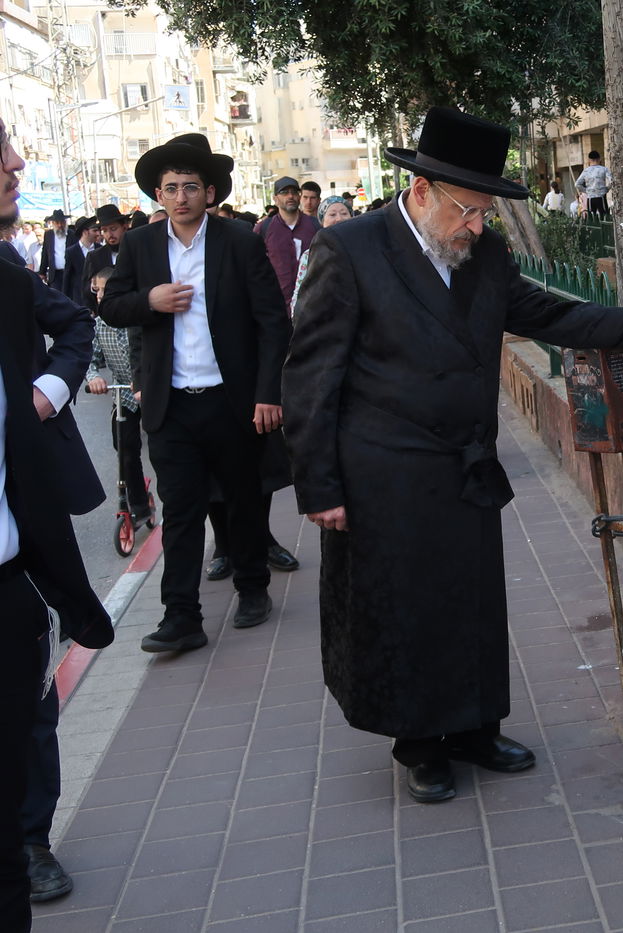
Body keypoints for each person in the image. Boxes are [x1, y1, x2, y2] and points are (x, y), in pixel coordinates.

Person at [283, 107, 623, 804]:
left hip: (465, 463)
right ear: (422, 190)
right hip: (382, 475)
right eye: (469, 210)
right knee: (405, 608)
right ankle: (419, 741)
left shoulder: (481, 253)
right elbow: (310, 376)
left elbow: (546, 314)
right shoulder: (352, 250)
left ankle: (477, 728)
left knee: (472, 602)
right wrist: (318, 484)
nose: (478, 225)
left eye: (486, 212)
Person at [99, 132, 290, 653]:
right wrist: (150, 299)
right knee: (181, 510)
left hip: (232, 401)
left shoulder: (240, 243)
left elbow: (273, 323)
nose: (180, 197)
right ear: (158, 196)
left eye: (190, 187)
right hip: (171, 404)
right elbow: (111, 307)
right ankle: (181, 616)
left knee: (243, 501)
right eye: (170, 188)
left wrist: (268, 393)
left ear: (209, 193)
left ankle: (253, 588)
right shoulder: (139, 246)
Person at [0, 112, 113, 931]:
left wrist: (47, 391)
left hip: (10, 578)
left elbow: (73, 326)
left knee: (29, 715)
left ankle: (30, 839)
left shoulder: (7, 278)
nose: (16, 161)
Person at [86, 265, 152, 527]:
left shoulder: (142, 319)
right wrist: (95, 378)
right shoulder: (99, 325)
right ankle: (138, 505)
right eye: (97, 290)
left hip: (150, 393)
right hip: (123, 396)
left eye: (105, 290)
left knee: (163, 450)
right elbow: (90, 360)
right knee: (125, 451)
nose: (100, 296)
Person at [260, 176, 320, 310]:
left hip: (310, 304)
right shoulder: (264, 228)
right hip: (276, 306)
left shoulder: (315, 226)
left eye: (294, 192)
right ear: (275, 199)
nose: (290, 196)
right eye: (284, 193)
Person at [80, 204, 129, 315]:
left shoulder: (135, 252)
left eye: (113, 229)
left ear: (124, 227)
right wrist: (94, 288)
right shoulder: (94, 257)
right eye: (105, 230)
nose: (110, 235)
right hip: (106, 316)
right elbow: (85, 290)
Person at [37, 210, 69, 291]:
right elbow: (45, 254)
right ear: (53, 223)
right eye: (57, 222)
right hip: (55, 274)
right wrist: (42, 272)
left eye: (62, 222)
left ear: (65, 222)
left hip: (70, 273)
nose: (60, 225)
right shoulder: (48, 235)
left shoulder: (72, 235)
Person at [578, 150, 612, 215]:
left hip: (590, 198)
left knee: (592, 218)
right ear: (599, 159)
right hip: (601, 196)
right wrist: (607, 189)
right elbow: (612, 181)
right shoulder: (604, 169)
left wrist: (586, 191)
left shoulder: (586, 171)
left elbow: (577, 184)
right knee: (604, 216)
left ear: (589, 160)